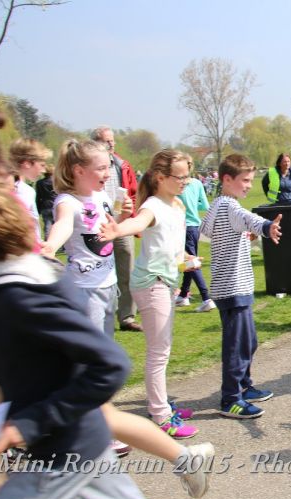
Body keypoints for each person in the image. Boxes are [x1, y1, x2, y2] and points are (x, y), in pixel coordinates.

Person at [0, 186, 213, 499]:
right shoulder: (9, 291)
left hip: (62, 449)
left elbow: (110, 364)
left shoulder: (20, 296)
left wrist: (29, 423)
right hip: (77, 440)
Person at [98, 150, 200, 439]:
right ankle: (161, 414)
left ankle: (162, 404)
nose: (185, 182)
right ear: (160, 177)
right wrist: (117, 230)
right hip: (151, 283)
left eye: (187, 176)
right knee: (159, 351)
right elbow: (138, 223)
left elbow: (171, 246)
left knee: (163, 347)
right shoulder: (153, 205)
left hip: (166, 281)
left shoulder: (177, 204)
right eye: (180, 177)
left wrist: (186, 260)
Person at [201, 154, 281, 419]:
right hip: (233, 288)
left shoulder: (218, 204)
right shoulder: (229, 206)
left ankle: (244, 386)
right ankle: (231, 399)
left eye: (250, 180)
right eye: (245, 180)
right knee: (238, 346)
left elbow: (205, 230)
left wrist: (242, 234)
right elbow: (248, 218)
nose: (249, 185)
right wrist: (267, 226)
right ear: (227, 179)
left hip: (229, 286)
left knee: (248, 341)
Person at [41, 140, 122, 336]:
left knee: (106, 343)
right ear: (79, 171)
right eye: (101, 168)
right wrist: (51, 245)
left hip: (109, 282)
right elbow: (64, 224)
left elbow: (109, 228)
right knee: (93, 347)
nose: (108, 174)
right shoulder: (68, 201)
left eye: (109, 166)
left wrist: (123, 216)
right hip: (85, 288)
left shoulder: (101, 196)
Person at [91, 126, 141, 332]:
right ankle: (99, 313)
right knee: (97, 268)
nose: (111, 144)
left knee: (126, 267)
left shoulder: (122, 165)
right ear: (96, 143)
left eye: (112, 140)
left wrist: (131, 218)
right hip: (97, 223)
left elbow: (133, 192)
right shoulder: (89, 166)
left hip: (120, 221)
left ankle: (127, 316)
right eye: (106, 141)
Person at [175, 157, 215, 312]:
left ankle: (206, 298)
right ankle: (183, 295)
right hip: (195, 227)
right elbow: (205, 205)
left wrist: (186, 206)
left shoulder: (178, 185)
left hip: (184, 227)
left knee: (191, 262)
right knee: (190, 260)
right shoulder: (197, 183)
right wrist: (192, 205)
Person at [9, 138, 51, 241]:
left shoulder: (18, 188)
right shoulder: (23, 191)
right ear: (27, 163)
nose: (43, 170)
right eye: (41, 165)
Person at [34, 166, 56, 241]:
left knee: (47, 226)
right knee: (58, 225)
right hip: (56, 206)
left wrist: (37, 209)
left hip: (45, 206)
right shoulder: (56, 182)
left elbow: (38, 196)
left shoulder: (39, 183)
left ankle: (47, 241)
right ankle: (60, 243)